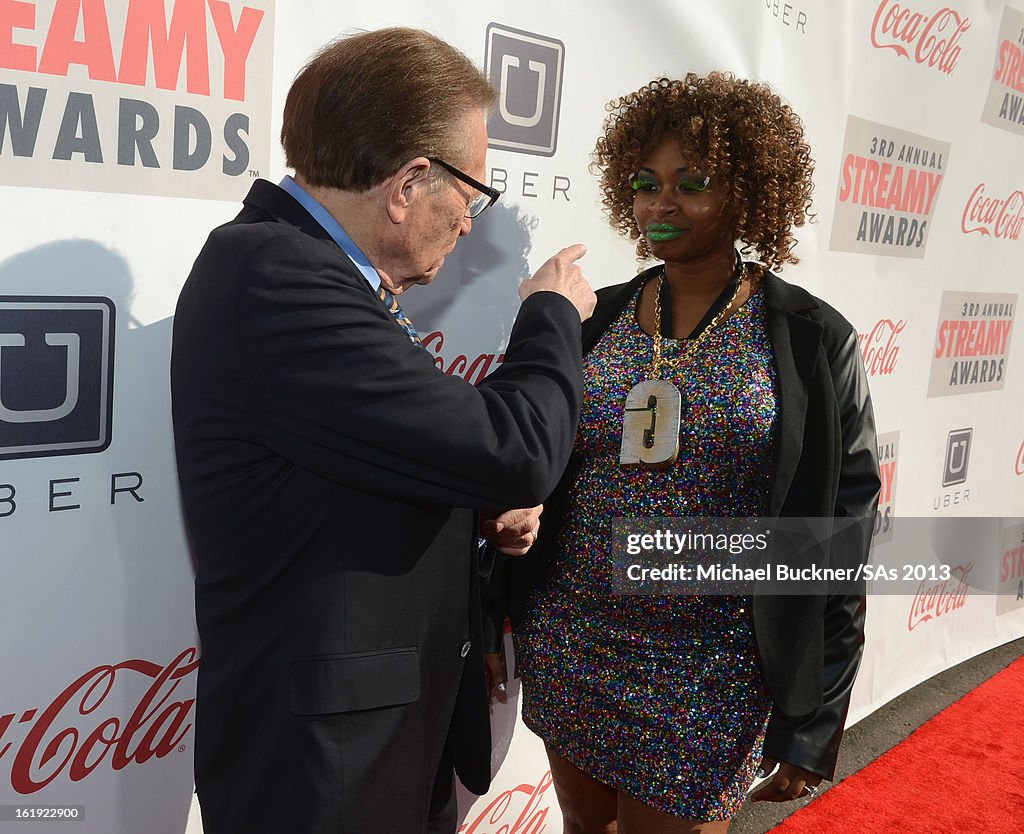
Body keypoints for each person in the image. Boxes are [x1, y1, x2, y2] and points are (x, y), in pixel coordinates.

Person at [170, 27, 595, 834]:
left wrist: (473, 511)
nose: (469, 226)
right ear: (409, 183)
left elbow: (361, 456)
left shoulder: (304, 271)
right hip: (328, 767)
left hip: (373, 740)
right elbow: (516, 450)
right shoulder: (277, 274)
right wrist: (549, 317)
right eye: (470, 201)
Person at [499, 73, 881, 833]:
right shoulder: (594, 316)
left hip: (714, 664)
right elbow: (530, 464)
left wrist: (817, 715)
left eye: (690, 183)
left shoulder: (809, 337)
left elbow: (841, 526)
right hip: (572, 634)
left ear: (747, 194)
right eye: (645, 185)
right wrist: (492, 604)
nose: (660, 205)